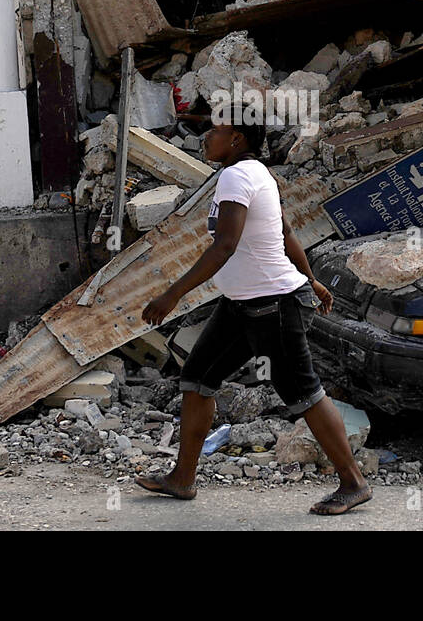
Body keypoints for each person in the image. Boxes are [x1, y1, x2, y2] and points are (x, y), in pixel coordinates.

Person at [137, 117, 372, 516]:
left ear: (236, 139)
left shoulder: (236, 176)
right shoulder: (256, 173)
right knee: (197, 378)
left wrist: (172, 294)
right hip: (241, 304)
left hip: (273, 304)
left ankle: (354, 483)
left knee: (303, 393)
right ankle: (182, 478)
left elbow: (225, 246)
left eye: (215, 131)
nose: (207, 137)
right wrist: (311, 280)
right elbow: (285, 233)